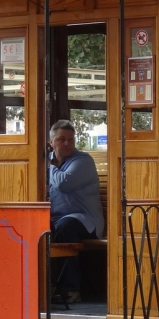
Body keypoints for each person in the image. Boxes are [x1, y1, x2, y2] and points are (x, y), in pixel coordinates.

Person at [48, 120, 104, 303]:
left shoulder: (83, 161)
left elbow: (64, 183)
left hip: (86, 220)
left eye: (70, 140)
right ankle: (44, 286)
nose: (66, 143)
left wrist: (48, 166)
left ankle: (71, 290)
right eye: (61, 139)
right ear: (51, 142)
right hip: (57, 218)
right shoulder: (49, 161)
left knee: (65, 227)